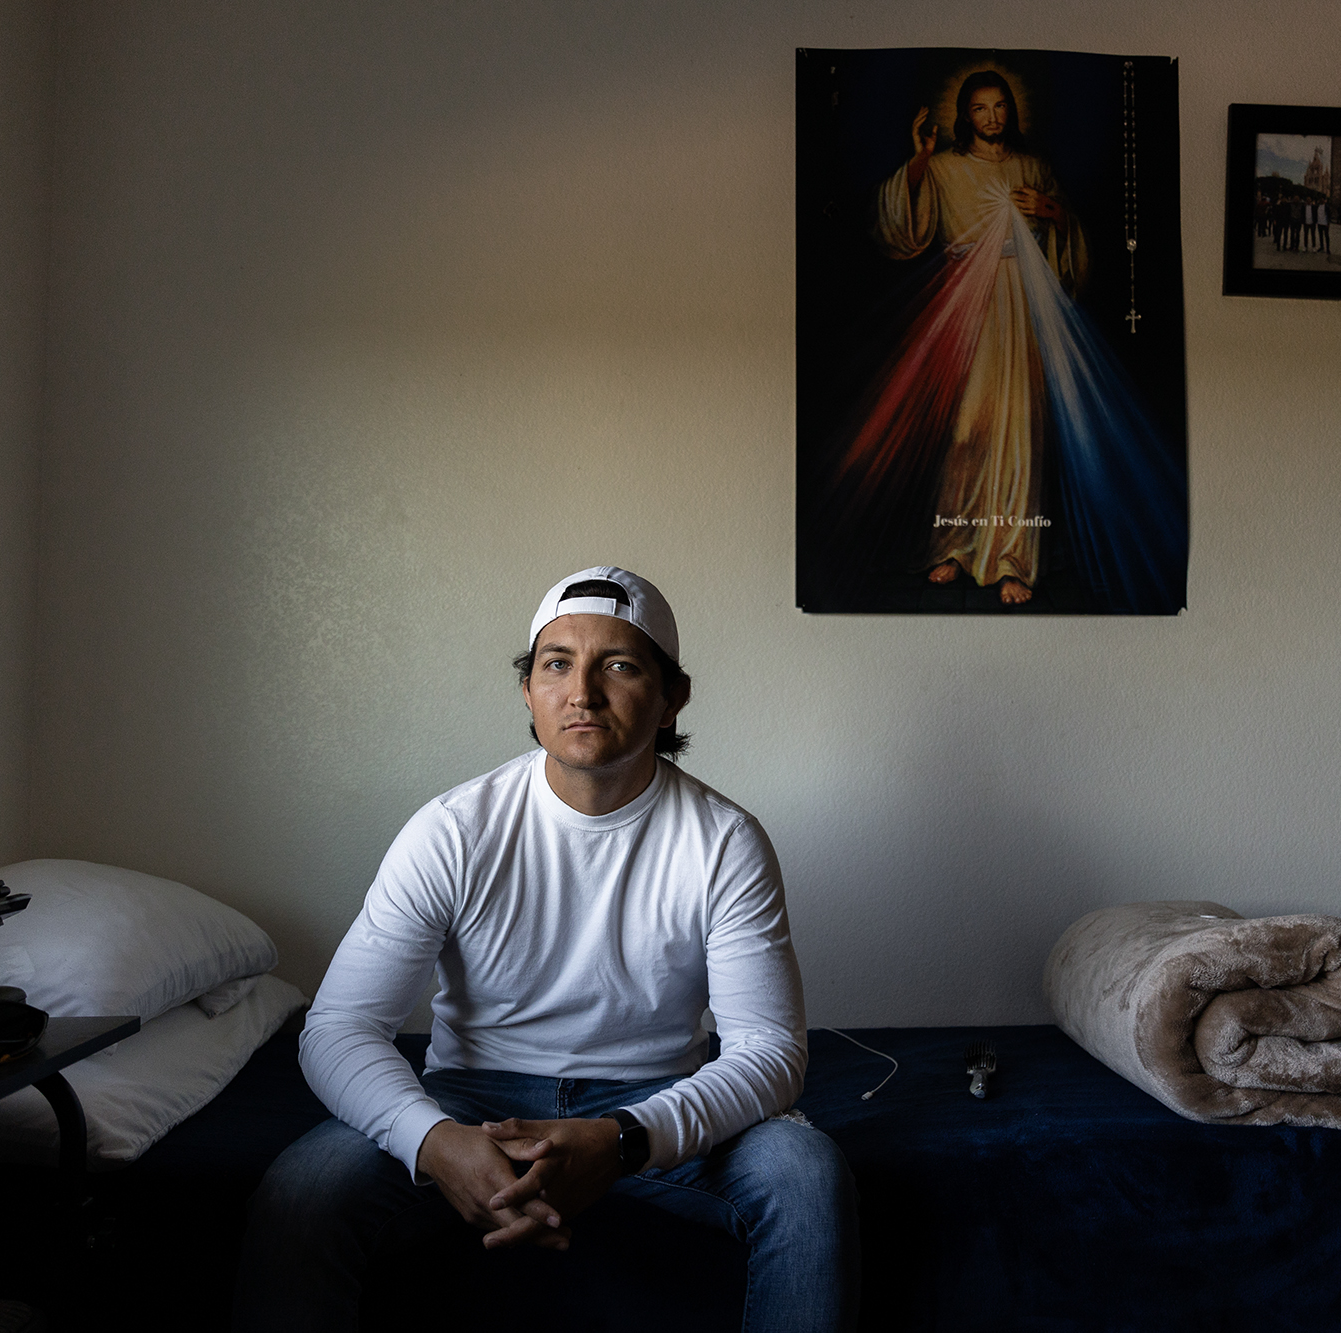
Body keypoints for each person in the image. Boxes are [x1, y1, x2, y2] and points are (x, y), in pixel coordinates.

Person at [234, 567, 858, 1332]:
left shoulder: (724, 841)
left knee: (804, 1172)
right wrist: (435, 1142)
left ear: (672, 699)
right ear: (528, 692)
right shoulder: (453, 830)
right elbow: (337, 1028)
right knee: (304, 1188)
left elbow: (768, 1052)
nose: (583, 692)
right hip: (469, 1101)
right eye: (556, 663)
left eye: (619, 665)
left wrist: (625, 1138)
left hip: (649, 1097)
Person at [872, 70, 1087, 605]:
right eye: (980, 109)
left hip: (1025, 306)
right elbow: (902, 230)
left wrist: (1054, 212)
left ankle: (1013, 560)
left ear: (1011, 110)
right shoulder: (944, 167)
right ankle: (956, 547)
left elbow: (1070, 243)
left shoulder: (1032, 167)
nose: (993, 118)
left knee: (1022, 434)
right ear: (964, 116)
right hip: (967, 302)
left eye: (1000, 107)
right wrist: (920, 157)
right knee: (968, 429)